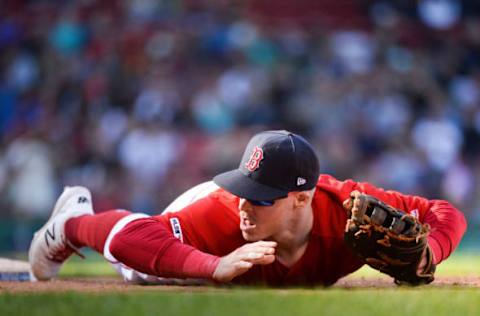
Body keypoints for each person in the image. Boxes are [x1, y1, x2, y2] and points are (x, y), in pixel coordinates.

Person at [29, 130, 467, 286]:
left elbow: (447, 213)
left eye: (259, 197)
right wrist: (210, 266)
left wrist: (431, 253)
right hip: (204, 248)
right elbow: (130, 237)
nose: (244, 205)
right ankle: (71, 222)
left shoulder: (345, 205)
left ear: (301, 199)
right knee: (139, 271)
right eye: (243, 189)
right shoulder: (220, 211)